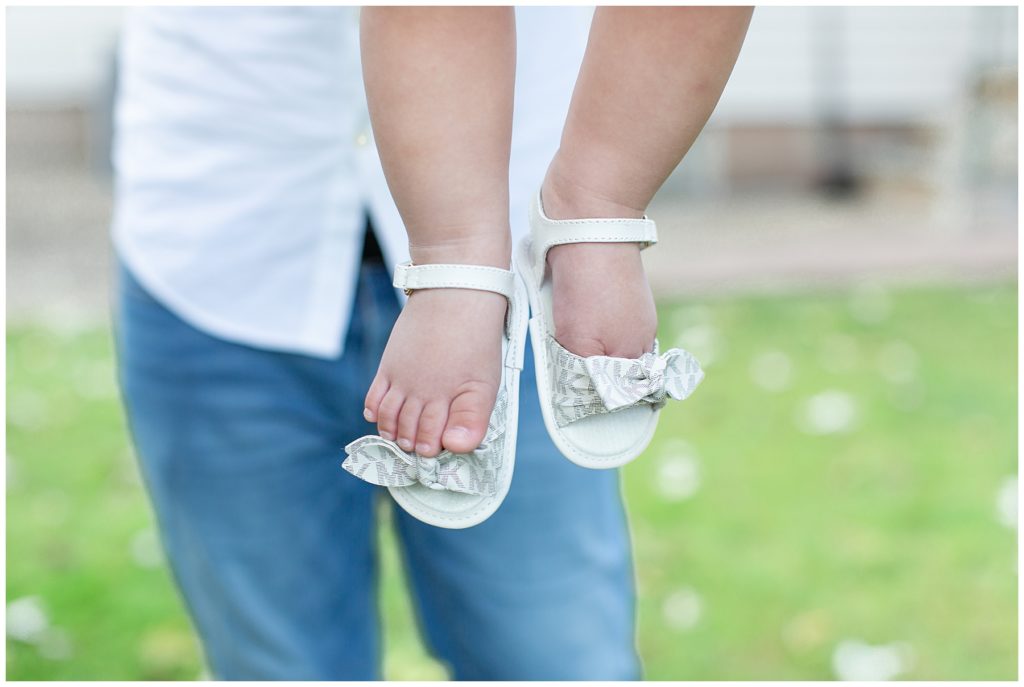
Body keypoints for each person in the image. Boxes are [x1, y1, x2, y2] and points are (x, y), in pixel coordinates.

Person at [112, 6, 641, 681]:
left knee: (556, 659)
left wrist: (602, 212)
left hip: (528, 268)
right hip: (220, 239)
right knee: (276, 665)